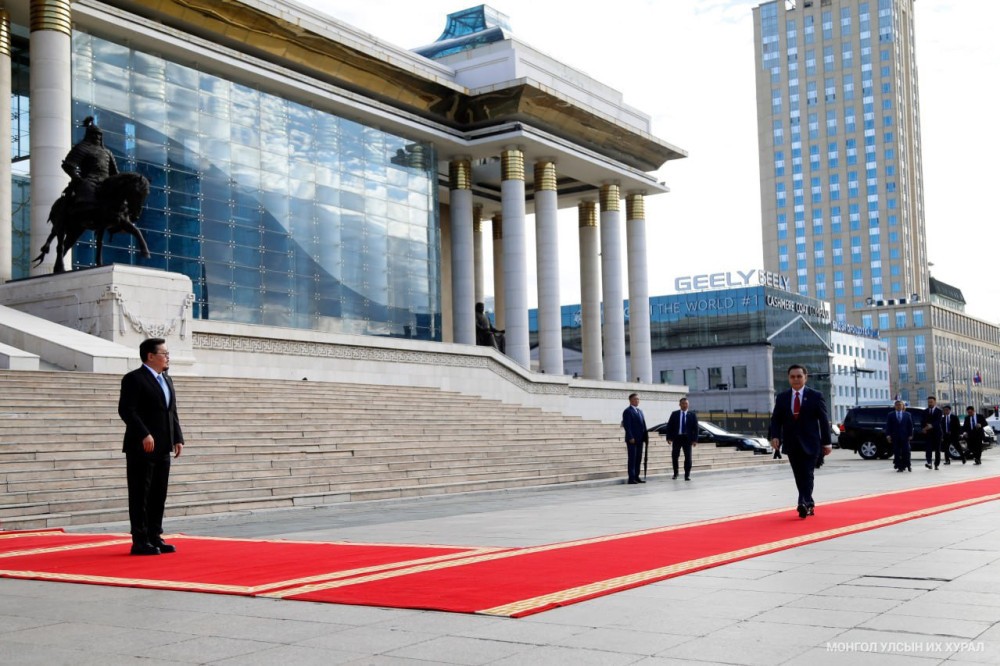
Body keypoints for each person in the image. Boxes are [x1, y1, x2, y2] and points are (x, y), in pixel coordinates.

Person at [118, 338, 184, 555]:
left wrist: (178, 438)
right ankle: (140, 540)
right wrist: (144, 433)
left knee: (158, 493)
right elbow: (127, 410)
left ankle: (155, 536)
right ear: (150, 356)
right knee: (140, 494)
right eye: (164, 353)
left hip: (163, 447)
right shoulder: (134, 379)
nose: (167, 357)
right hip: (141, 448)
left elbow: (171, 412)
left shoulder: (167, 380)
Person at [768, 364, 832, 518]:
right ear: (789, 378)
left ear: (805, 377)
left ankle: (802, 502)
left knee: (808, 473)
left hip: (811, 443)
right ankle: (808, 502)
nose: (796, 379)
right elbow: (776, 419)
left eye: (799, 376)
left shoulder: (816, 396)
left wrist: (827, 442)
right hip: (791, 442)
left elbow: (823, 420)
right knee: (798, 474)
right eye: (792, 376)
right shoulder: (782, 397)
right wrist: (775, 436)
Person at [61, 116, 118, 214]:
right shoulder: (81, 148)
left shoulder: (108, 152)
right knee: (86, 191)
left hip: (106, 181)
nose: (97, 137)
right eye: (94, 134)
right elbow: (68, 165)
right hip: (89, 180)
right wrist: (77, 178)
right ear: (88, 135)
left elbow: (115, 173)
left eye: (99, 135)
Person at [665, 397, 699, 480]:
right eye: (683, 404)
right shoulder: (675, 414)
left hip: (687, 439)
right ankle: (675, 473)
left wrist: (694, 440)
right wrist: (669, 438)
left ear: (688, 405)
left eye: (686, 404)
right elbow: (669, 426)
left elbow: (696, 428)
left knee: (688, 457)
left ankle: (687, 475)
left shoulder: (692, 415)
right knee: (675, 456)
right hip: (677, 438)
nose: (685, 405)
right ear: (679, 404)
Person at [621, 393, 648, 484]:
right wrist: (630, 436)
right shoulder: (627, 411)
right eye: (635, 399)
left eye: (638, 399)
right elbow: (627, 426)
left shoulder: (639, 411)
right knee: (632, 458)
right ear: (631, 400)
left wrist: (645, 436)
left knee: (638, 458)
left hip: (640, 439)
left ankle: (637, 476)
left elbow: (643, 425)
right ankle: (631, 478)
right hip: (632, 440)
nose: (637, 401)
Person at [885, 400, 914, 472]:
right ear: (895, 406)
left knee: (906, 451)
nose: (898, 406)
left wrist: (910, 434)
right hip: (895, 437)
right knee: (897, 452)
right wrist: (888, 435)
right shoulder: (890, 415)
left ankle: (907, 465)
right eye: (897, 405)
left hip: (905, 436)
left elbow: (910, 426)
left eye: (900, 405)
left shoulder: (907, 414)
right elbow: (888, 426)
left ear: (902, 406)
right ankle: (899, 466)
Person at [921, 395, 944, 469]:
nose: (930, 403)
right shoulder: (925, 411)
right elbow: (922, 421)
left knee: (937, 449)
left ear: (935, 402)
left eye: (931, 402)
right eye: (928, 402)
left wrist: (931, 425)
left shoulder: (939, 411)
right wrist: (923, 428)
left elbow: (938, 421)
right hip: (928, 433)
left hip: (937, 433)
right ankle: (929, 462)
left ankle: (936, 464)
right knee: (928, 448)